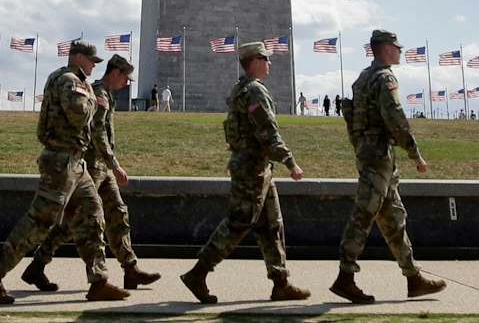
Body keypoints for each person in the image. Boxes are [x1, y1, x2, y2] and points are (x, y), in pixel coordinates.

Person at [0, 41, 127, 304]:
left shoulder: (69, 79)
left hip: (76, 163)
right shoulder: (71, 80)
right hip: (61, 162)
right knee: (40, 222)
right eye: (91, 60)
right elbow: (79, 115)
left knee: (93, 215)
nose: (93, 65)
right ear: (77, 57)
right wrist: (95, 100)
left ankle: (99, 281)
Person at [180, 41, 310, 303]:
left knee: (272, 226)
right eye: (266, 58)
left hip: (259, 169)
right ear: (254, 61)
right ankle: (198, 272)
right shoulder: (254, 92)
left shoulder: (241, 90)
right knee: (238, 222)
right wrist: (290, 161)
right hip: (252, 170)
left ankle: (281, 282)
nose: (270, 62)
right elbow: (267, 132)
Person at [23, 54, 160, 293]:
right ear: (115, 72)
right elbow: (98, 134)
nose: (127, 84)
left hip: (102, 168)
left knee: (118, 213)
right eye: (126, 78)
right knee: (74, 222)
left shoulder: (106, 95)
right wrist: (114, 164)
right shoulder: (98, 93)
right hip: (91, 167)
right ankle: (38, 264)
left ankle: (131, 269)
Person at [331, 29, 447, 304]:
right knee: (363, 216)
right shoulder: (384, 78)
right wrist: (414, 153)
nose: (400, 52)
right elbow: (394, 116)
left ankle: (413, 277)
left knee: (393, 218)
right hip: (378, 156)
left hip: (369, 153)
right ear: (385, 49)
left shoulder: (362, 78)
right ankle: (345, 277)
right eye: (396, 47)